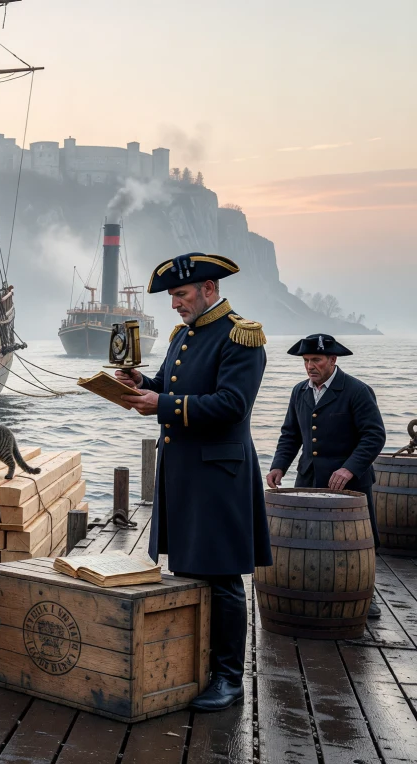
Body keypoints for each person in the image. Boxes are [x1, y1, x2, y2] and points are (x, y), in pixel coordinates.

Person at [115, 253, 270, 713]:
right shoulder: (184, 335)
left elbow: (232, 405)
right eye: (172, 297)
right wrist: (139, 382)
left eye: (180, 295)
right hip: (184, 474)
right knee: (187, 570)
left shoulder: (241, 336)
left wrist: (161, 403)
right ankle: (197, 667)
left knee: (222, 579)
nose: (174, 305)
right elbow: (169, 384)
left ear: (208, 289)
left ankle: (229, 679)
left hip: (219, 477)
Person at [267, 334, 386, 616]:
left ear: (332, 360)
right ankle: (312, 591)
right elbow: (291, 434)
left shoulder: (357, 390)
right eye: (306, 360)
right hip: (308, 478)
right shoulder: (299, 391)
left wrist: (349, 468)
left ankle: (366, 593)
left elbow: (374, 436)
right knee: (309, 538)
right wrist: (278, 466)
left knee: (356, 540)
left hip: (351, 483)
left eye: (316, 360)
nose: (310, 366)